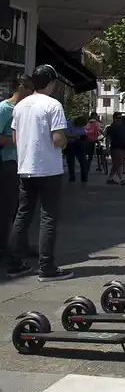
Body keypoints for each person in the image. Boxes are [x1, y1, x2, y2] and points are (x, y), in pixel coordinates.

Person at [7, 65, 72, 280]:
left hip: (25, 168)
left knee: (22, 215)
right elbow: (57, 139)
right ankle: (47, 267)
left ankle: (14, 262)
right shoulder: (53, 105)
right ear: (52, 82)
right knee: (48, 217)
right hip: (48, 169)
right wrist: (64, 141)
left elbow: (16, 139)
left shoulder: (20, 106)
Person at [0, 73, 35, 264]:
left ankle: (20, 245)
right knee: (8, 209)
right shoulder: (5, 109)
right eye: (30, 89)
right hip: (8, 164)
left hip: (22, 164)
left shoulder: (24, 110)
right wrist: (17, 140)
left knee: (22, 208)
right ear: (21, 87)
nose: (32, 93)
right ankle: (5, 248)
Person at [105, 111, 125, 185]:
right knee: (118, 163)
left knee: (117, 164)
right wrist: (107, 148)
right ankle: (121, 179)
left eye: (121, 118)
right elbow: (108, 138)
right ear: (114, 118)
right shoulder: (111, 127)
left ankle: (110, 178)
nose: (120, 119)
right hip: (115, 147)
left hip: (123, 147)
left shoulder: (123, 127)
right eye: (118, 118)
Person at [64, 115, 89, 183]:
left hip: (80, 143)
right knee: (70, 161)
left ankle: (84, 177)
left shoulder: (82, 126)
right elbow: (65, 134)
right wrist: (75, 136)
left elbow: (83, 133)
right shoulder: (69, 124)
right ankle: (72, 177)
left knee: (83, 161)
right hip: (71, 144)